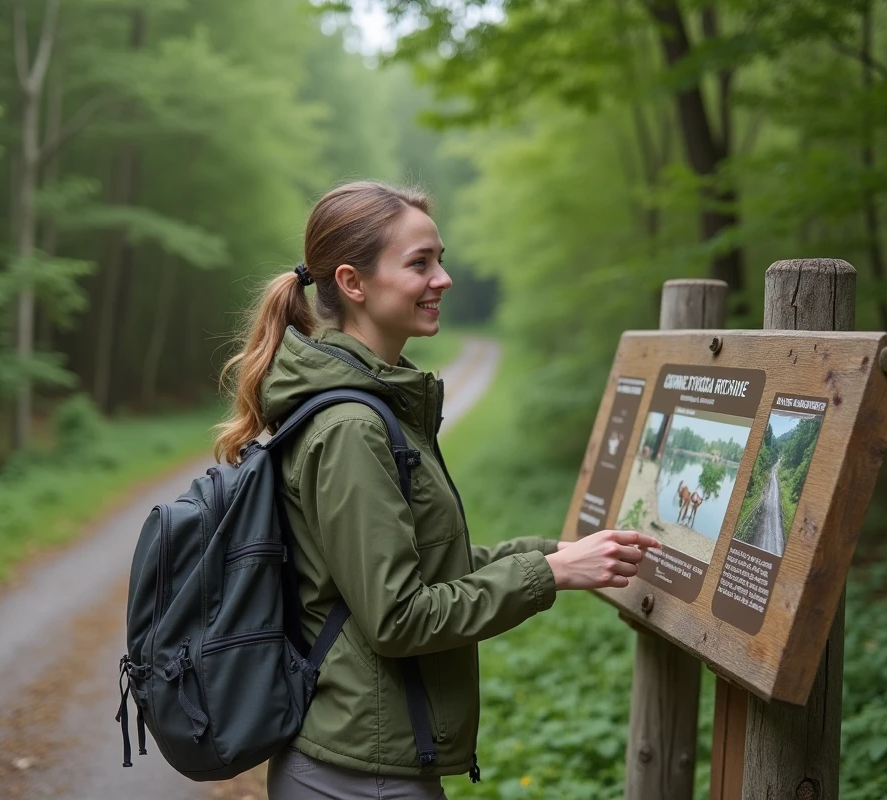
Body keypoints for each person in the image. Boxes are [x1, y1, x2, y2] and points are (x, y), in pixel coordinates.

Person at [214, 181, 658, 799]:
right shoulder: (351, 428)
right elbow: (398, 618)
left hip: (368, 761)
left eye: (439, 258)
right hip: (358, 775)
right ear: (353, 282)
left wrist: (554, 553)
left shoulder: (375, 405)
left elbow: (420, 566)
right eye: (420, 263)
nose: (443, 278)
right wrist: (549, 574)